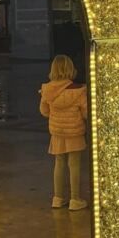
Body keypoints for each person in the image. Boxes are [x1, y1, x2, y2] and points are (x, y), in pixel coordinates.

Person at [39, 54, 89, 211]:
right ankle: (75, 199)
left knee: (59, 163)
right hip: (74, 132)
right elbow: (86, 113)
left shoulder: (47, 90)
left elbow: (44, 111)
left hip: (57, 132)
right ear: (70, 69)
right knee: (74, 165)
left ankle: (58, 198)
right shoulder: (78, 91)